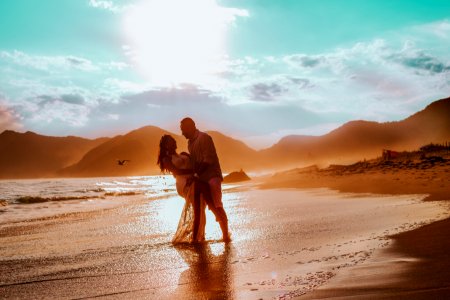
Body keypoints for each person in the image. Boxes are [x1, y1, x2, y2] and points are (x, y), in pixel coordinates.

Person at [180, 117, 231, 242]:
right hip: (201, 177)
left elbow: (208, 160)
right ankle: (199, 236)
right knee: (200, 208)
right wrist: (189, 157)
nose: (182, 133)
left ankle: (225, 234)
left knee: (217, 205)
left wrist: (196, 174)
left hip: (212, 176)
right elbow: (196, 161)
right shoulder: (190, 143)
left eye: (183, 129)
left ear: (191, 126)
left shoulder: (204, 138)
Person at [157, 134, 206, 244]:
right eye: (170, 141)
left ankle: (200, 236)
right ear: (165, 145)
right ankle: (195, 239)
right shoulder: (166, 159)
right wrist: (193, 174)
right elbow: (176, 172)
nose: (174, 141)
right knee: (198, 207)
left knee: (200, 208)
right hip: (183, 183)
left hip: (194, 180)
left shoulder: (182, 154)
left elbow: (195, 162)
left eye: (173, 139)